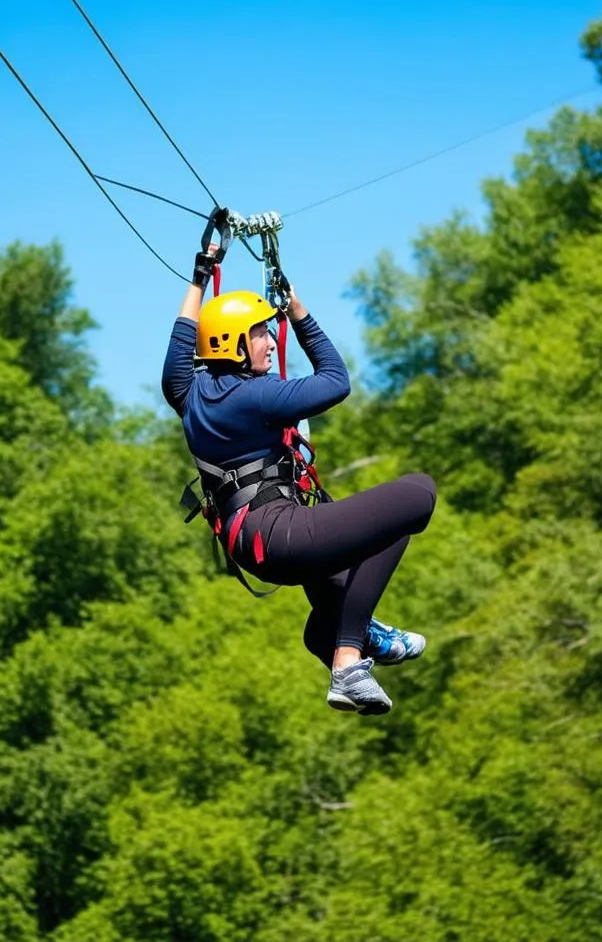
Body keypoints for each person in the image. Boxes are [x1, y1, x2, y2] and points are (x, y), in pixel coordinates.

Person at [162, 243, 437, 715]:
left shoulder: (189, 393)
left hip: (252, 543)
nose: (270, 341)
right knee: (417, 496)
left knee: (355, 556)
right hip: (278, 532)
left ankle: (334, 634)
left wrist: (200, 275)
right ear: (232, 344)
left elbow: (183, 338)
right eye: (260, 334)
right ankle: (349, 661)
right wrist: (298, 311)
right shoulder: (258, 396)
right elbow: (336, 380)